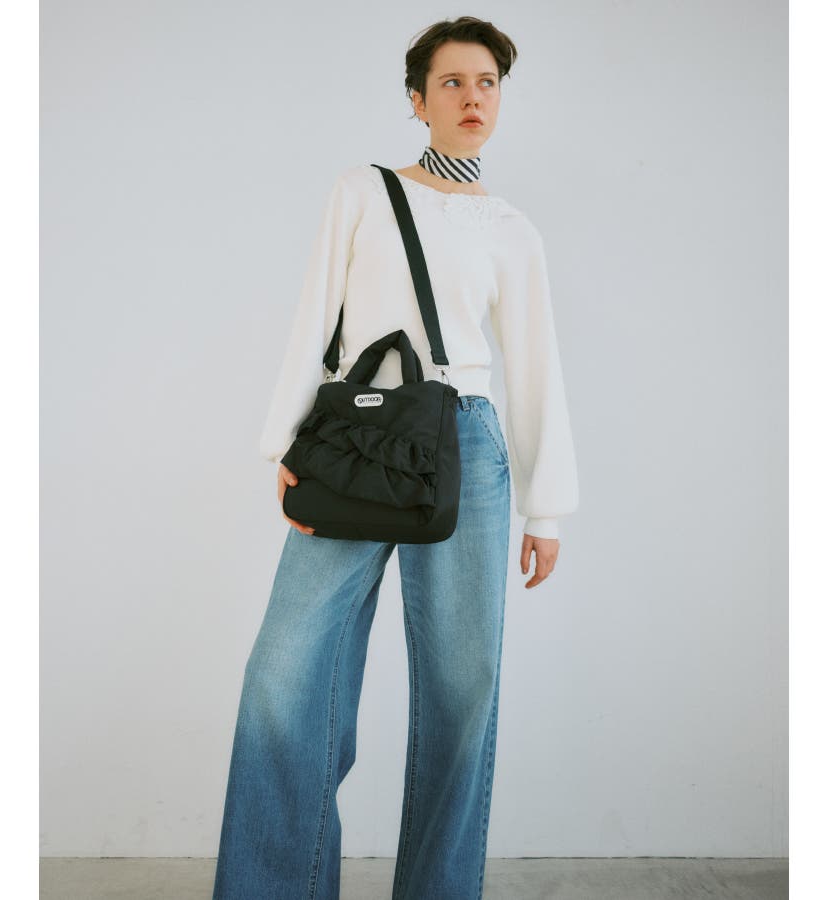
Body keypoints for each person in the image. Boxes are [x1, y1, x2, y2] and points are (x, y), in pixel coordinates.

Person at [212, 15, 579, 900]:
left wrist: (547, 507)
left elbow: (535, 366)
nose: (472, 98)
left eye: (487, 82)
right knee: (282, 673)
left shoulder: (512, 230)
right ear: (417, 101)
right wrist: (283, 442)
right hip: (353, 441)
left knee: (462, 693)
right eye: (452, 82)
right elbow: (315, 318)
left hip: (465, 445)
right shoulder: (363, 192)